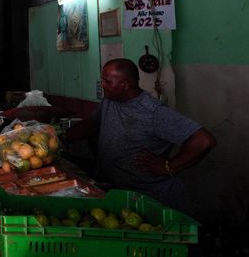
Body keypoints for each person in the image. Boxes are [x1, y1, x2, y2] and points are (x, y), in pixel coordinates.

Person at [67, 58, 216, 215]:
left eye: (107, 81)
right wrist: (63, 136)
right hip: (120, 193)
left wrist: (168, 166)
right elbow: (93, 122)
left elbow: (203, 141)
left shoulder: (153, 112)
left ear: (125, 84)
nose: (102, 85)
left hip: (153, 199)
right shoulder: (110, 101)